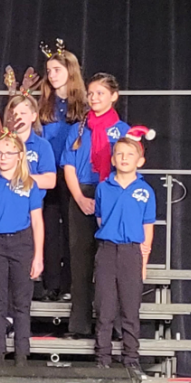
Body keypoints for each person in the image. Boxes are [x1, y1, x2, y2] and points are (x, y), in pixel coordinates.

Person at [61, 73, 129, 339]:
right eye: (91, 93)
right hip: (82, 193)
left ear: (114, 96)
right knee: (80, 261)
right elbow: (68, 165)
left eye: (100, 93)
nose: (94, 98)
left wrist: (106, 200)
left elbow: (127, 166)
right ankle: (79, 325)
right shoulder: (78, 128)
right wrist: (79, 198)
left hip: (111, 194)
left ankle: (113, 325)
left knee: (110, 264)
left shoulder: (122, 130)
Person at [0, 130, 45, 367]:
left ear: (19, 156)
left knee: (21, 302)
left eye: (9, 153)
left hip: (22, 244)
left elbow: (37, 222)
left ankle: (21, 355)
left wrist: (38, 256)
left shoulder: (29, 185)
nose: (3, 157)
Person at [93, 127, 156, 375]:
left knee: (130, 310)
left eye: (129, 154)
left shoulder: (146, 191)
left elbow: (147, 228)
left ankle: (131, 359)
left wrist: (143, 260)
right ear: (112, 159)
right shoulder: (103, 188)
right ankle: (103, 358)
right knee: (105, 309)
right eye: (119, 154)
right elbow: (99, 219)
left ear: (140, 160)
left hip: (132, 252)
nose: (124, 158)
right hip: (107, 250)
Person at [38, 40, 86, 301]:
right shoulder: (45, 102)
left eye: (56, 69)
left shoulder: (82, 105)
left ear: (70, 71)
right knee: (48, 230)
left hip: (72, 172)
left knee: (72, 230)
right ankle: (50, 284)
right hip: (48, 172)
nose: (52, 75)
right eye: (49, 70)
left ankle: (70, 286)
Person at [0, 69, 56, 192]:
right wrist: (4, 178)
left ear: (34, 116)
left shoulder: (42, 145)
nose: (18, 117)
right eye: (13, 113)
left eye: (23, 113)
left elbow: (50, 181)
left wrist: (18, 178)